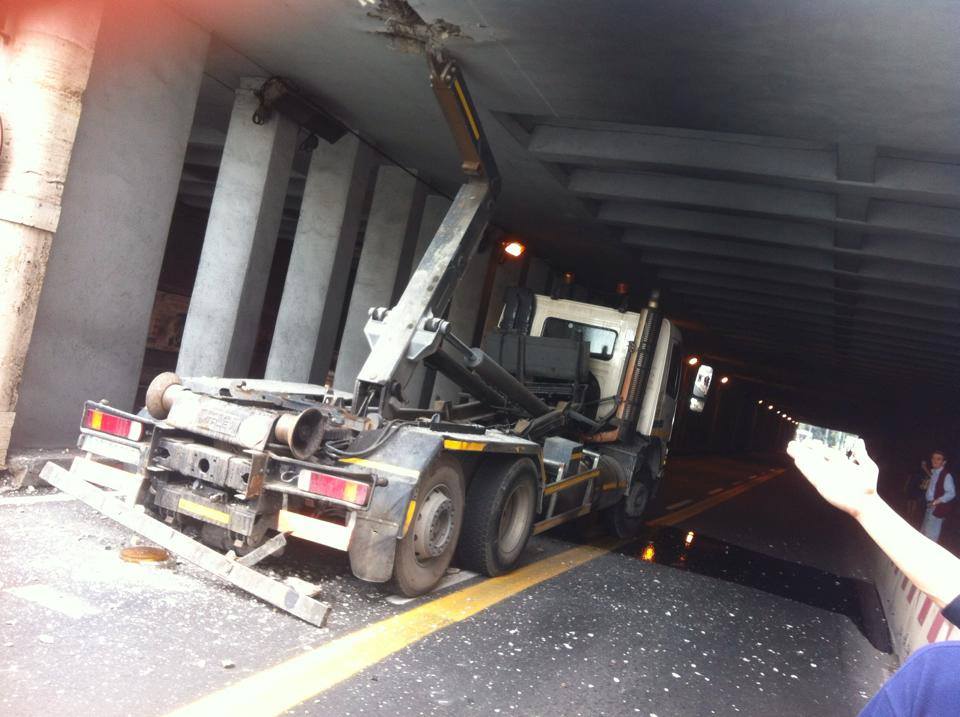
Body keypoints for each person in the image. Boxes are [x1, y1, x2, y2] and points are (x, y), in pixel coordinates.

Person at [788, 439, 960, 717]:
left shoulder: (940, 673)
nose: (937, 462)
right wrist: (867, 506)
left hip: (936, 509)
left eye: (940, 459)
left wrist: (867, 507)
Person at [919, 450, 956, 544]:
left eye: (938, 459)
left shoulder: (946, 475)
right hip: (930, 506)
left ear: (944, 462)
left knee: (930, 537)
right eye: (933, 458)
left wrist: (936, 502)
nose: (935, 461)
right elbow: (933, 480)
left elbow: (951, 493)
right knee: (923, 533)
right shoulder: (935, 473)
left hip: (936, 508)